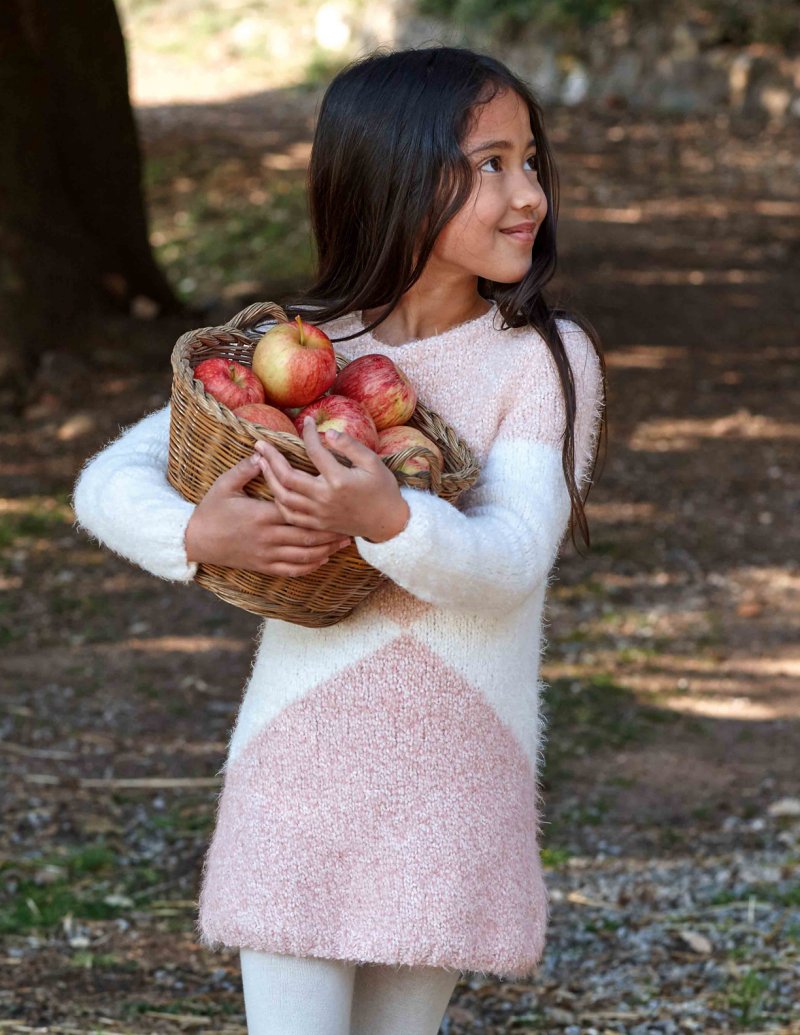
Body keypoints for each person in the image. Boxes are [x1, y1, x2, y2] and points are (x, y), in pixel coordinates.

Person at [71, 44, 608, 1035]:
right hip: (300, 756)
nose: (528, 192)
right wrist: (195, 530)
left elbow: (509, 562)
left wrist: (390, 521)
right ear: (393, 178)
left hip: (455, 771)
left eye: (530, 159)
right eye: (489, 165)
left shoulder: (540, 360)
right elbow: (105, 484)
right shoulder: (304, 348)